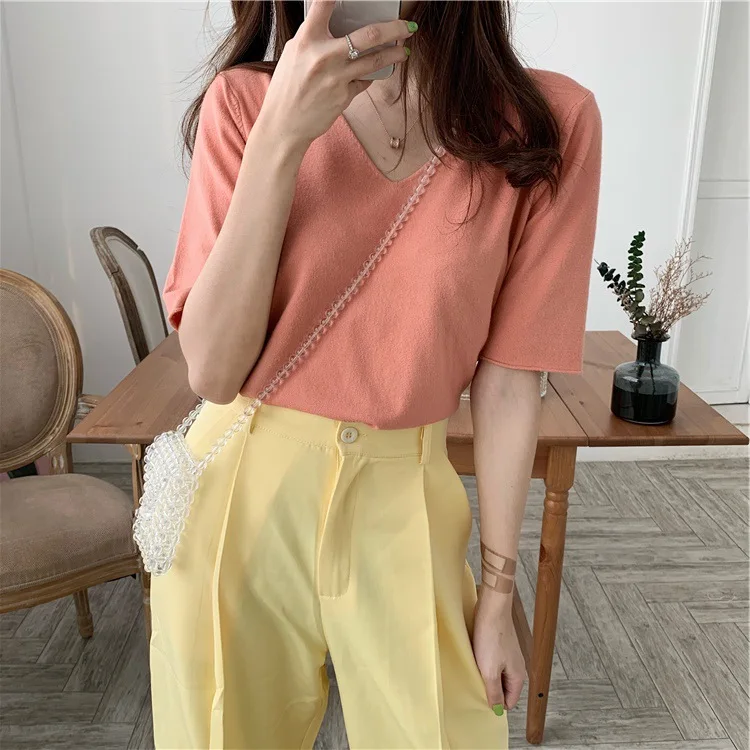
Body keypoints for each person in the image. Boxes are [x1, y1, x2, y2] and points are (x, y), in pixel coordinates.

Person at [149, 0, 602, 747]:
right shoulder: (247, 102)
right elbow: (214, 372)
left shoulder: (546, 126)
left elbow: (509, 382)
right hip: (238, 495)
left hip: (405, 494)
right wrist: (282, 137)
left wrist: (496, 597)